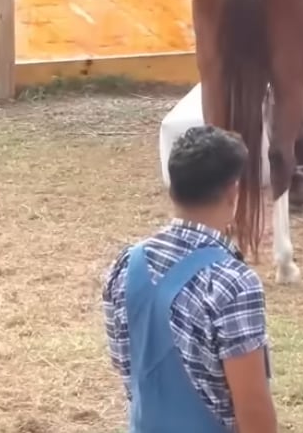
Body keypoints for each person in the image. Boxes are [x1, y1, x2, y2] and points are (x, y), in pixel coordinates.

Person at [102, 125, 277, 433]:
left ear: (172, 191)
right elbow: (252, 406)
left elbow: (123, 361)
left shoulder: (126, 264)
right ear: (232, 192)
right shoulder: (232, 283)